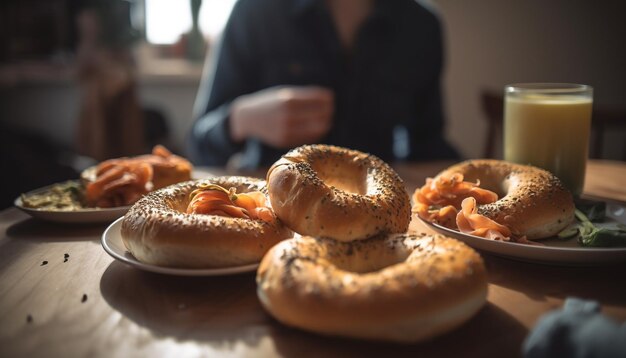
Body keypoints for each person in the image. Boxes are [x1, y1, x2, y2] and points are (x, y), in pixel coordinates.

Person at [188, 0, 460, 169]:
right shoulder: (257, 10)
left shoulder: (422, 26)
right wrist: (242, 118)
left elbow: (428, 142)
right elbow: (198, 143)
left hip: (376, 212)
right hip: (271, 211)